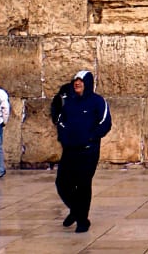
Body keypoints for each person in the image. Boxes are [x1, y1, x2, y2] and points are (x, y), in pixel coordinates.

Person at [55, 70, 111, 234]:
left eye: (80, 80)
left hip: (88, 151)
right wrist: (64, 137)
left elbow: (105, 122)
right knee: (62, 184)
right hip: (70, 150)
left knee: (83, 185)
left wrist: (91, 138)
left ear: (88, 82)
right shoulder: (69, 102)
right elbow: (61, 121)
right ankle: (75, 210)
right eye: (75, 81)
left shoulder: (97, 101)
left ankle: (82, 220)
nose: (77, 83)